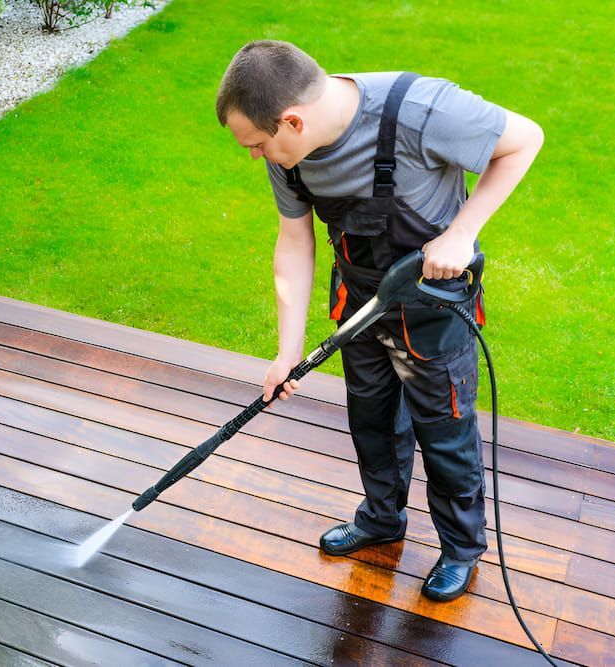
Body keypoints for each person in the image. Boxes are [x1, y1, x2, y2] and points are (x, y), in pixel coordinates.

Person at [215, 40, 543, 602]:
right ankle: (382, 519)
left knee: (444, 436)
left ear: (291, 121)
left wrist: (461, 233)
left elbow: (524, 139)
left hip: (432, 308)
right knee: (371, 418)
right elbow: (294, 242)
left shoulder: (421, 110)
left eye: (258, 144)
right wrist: (286, 351)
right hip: (360, 302)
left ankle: (461, 549)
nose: (255, 156)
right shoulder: (288, 154)